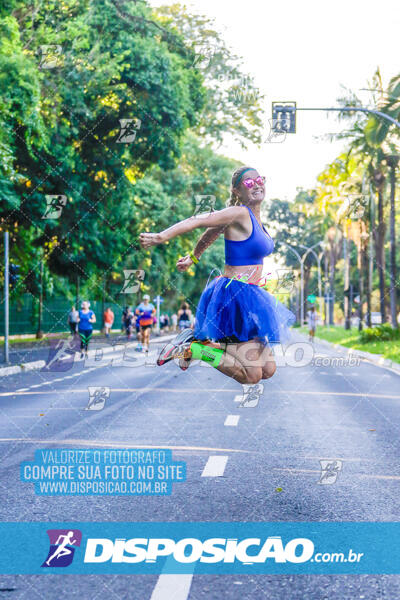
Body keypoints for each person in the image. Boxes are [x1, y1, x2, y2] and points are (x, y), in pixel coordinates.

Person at [139, 166, 295, 384]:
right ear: (237, 191)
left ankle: (202, 344)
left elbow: (211, 233)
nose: (257, 184)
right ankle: (194, 348)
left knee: (268, 369)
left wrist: (194, 256)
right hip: (234, 297)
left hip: (250, 296)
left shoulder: (256, 220)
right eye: (249, 183)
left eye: (259, 179)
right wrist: (161, 237)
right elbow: (199, 220)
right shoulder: (240, 212)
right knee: (252, 375)